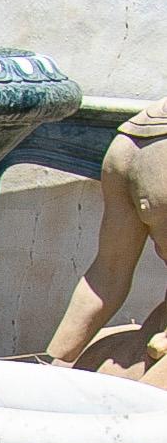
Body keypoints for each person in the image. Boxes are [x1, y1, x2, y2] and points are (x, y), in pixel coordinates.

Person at [46, 97, 167, 386]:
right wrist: (57, 362)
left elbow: (108, 273)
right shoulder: (137, 145)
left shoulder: (135, 146)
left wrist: (57, 362)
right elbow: (108, 273)